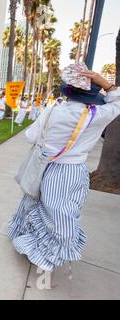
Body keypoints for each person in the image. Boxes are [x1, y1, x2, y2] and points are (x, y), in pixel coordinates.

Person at [7, 69, 120, 274]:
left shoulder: (53, 109)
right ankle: (45, 255)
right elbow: (118, 102)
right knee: (60, 214)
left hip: (43, 166)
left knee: (34, 203)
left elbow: (31, 137)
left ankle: (26, 239)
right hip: (70, 171)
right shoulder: (96, 115)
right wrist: (106, 83)